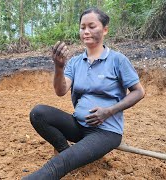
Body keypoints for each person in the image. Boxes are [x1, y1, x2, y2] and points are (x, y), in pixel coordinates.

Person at [23, 8, 145, 180]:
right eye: (82, 27)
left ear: (105, 30)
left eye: (92, 26)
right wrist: (58, 68)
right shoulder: (75, 62)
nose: (86, 31)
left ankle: (69, 158)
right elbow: (61, 91)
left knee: (58, 165)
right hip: (79, 125)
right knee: (38, 113)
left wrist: (108, 111)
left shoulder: (118, 60)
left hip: (105, 132)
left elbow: (139, 92)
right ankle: (67, 152)